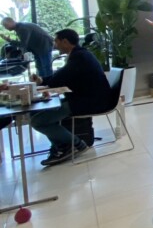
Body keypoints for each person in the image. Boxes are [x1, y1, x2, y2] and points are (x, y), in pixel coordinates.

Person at [30, 29, 113, 167]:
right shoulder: (80, 54)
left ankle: (75, 144)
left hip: (90, 101)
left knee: (38, 121)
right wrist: (42, 81)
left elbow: (59, 78)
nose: (55, 45)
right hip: (86, 98)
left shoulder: (79, 57)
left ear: (65, 42)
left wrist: (43, 83)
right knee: (42, 115)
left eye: (56, 41)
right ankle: (63, 146)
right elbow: (62, 76)